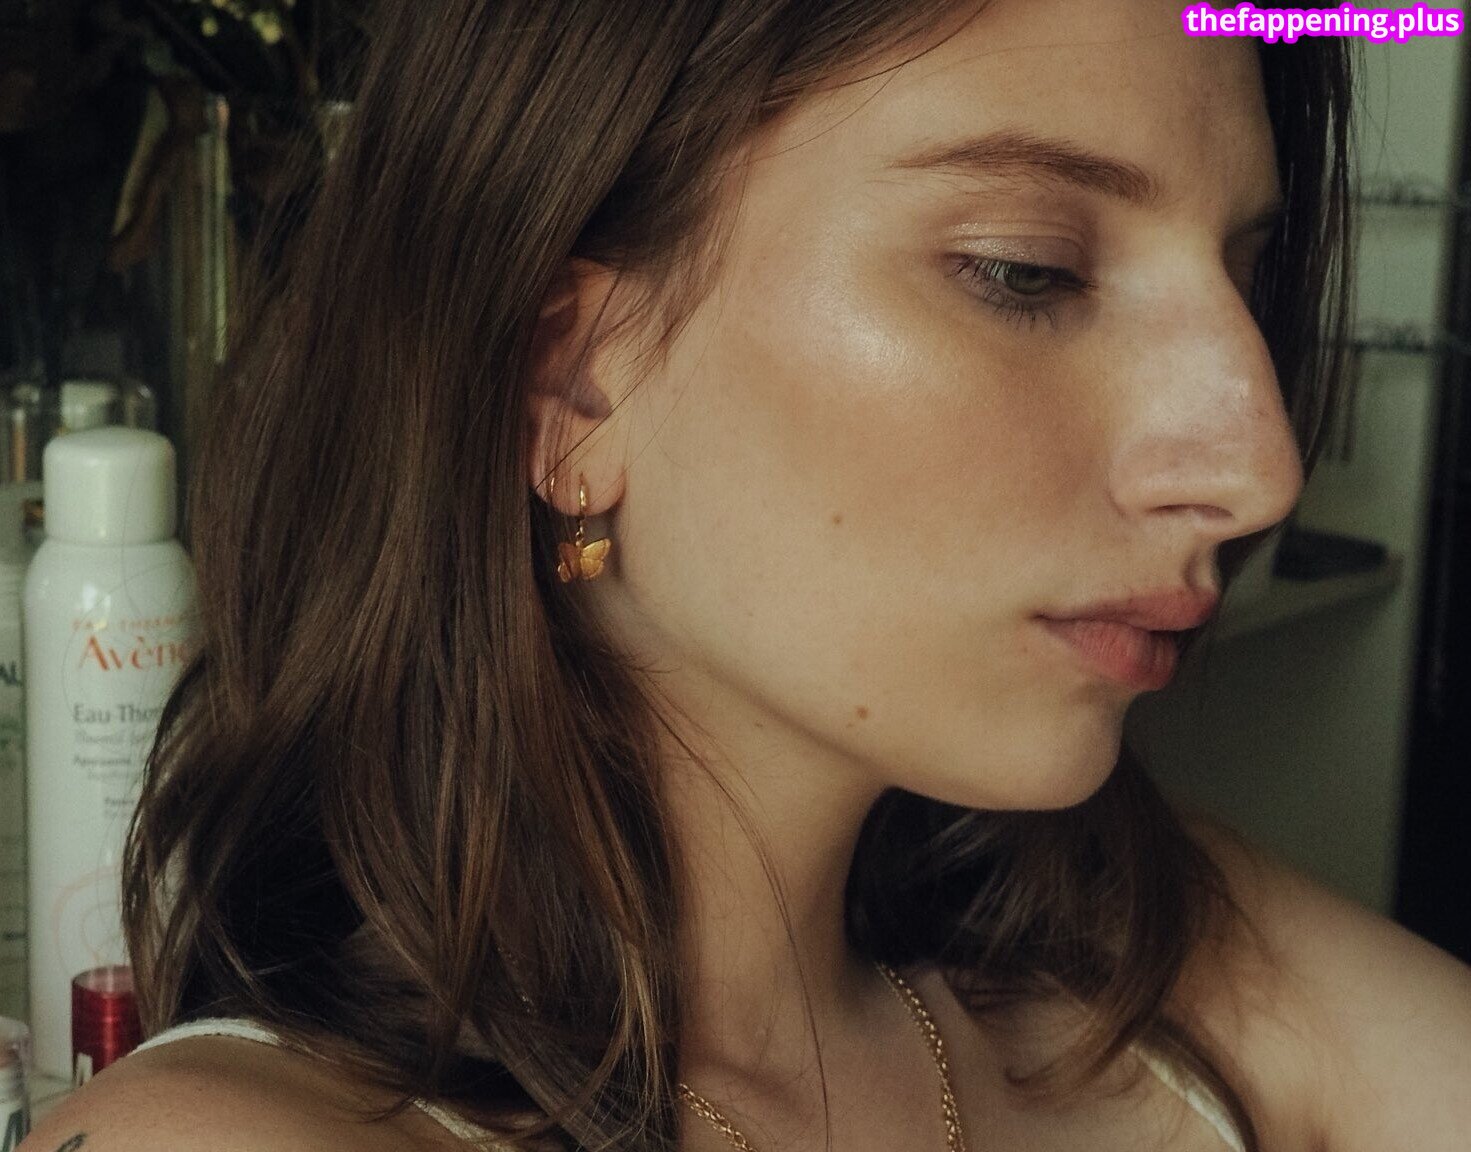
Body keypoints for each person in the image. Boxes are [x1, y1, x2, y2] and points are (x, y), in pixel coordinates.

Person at [22, 1, 1471, 1149]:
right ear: (576, 384)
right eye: (1027, 269)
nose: (1257, 468)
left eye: (1245, 280)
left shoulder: (1168, 967)